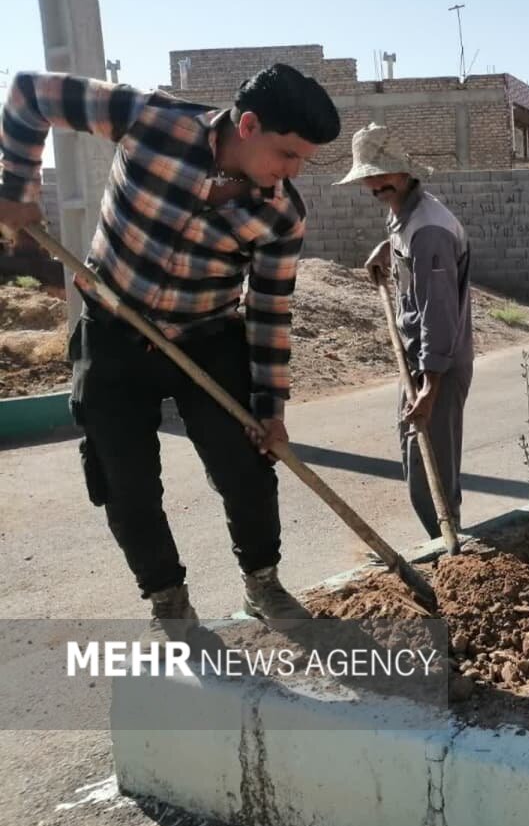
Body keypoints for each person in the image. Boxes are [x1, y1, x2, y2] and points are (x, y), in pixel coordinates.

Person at [0, 65, 341, 638]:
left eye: (302, 161)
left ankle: (263, 583)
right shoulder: (152, 122)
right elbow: (31, 93)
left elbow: (270, 310)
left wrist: (270, 408)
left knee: (247, 466)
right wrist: (15, 190)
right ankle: (168, 602)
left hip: (208, 337)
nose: (292, 172)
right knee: (121, 476)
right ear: (249, 124)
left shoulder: (281, 215)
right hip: (112, 329)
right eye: (287, 155)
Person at [339, 124, 474, 540]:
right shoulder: (405, 214)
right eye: (368, 176)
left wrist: (430, 387)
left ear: (403, 172)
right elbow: (407, 249)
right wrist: (388, 250)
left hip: (437, 363)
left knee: (429, 471)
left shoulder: (428, 229)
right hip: (418, 357)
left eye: (382, 174)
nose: (375, 184)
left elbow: (438, 312)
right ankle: (446, 544)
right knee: (417, 459)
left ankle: (451, 551)